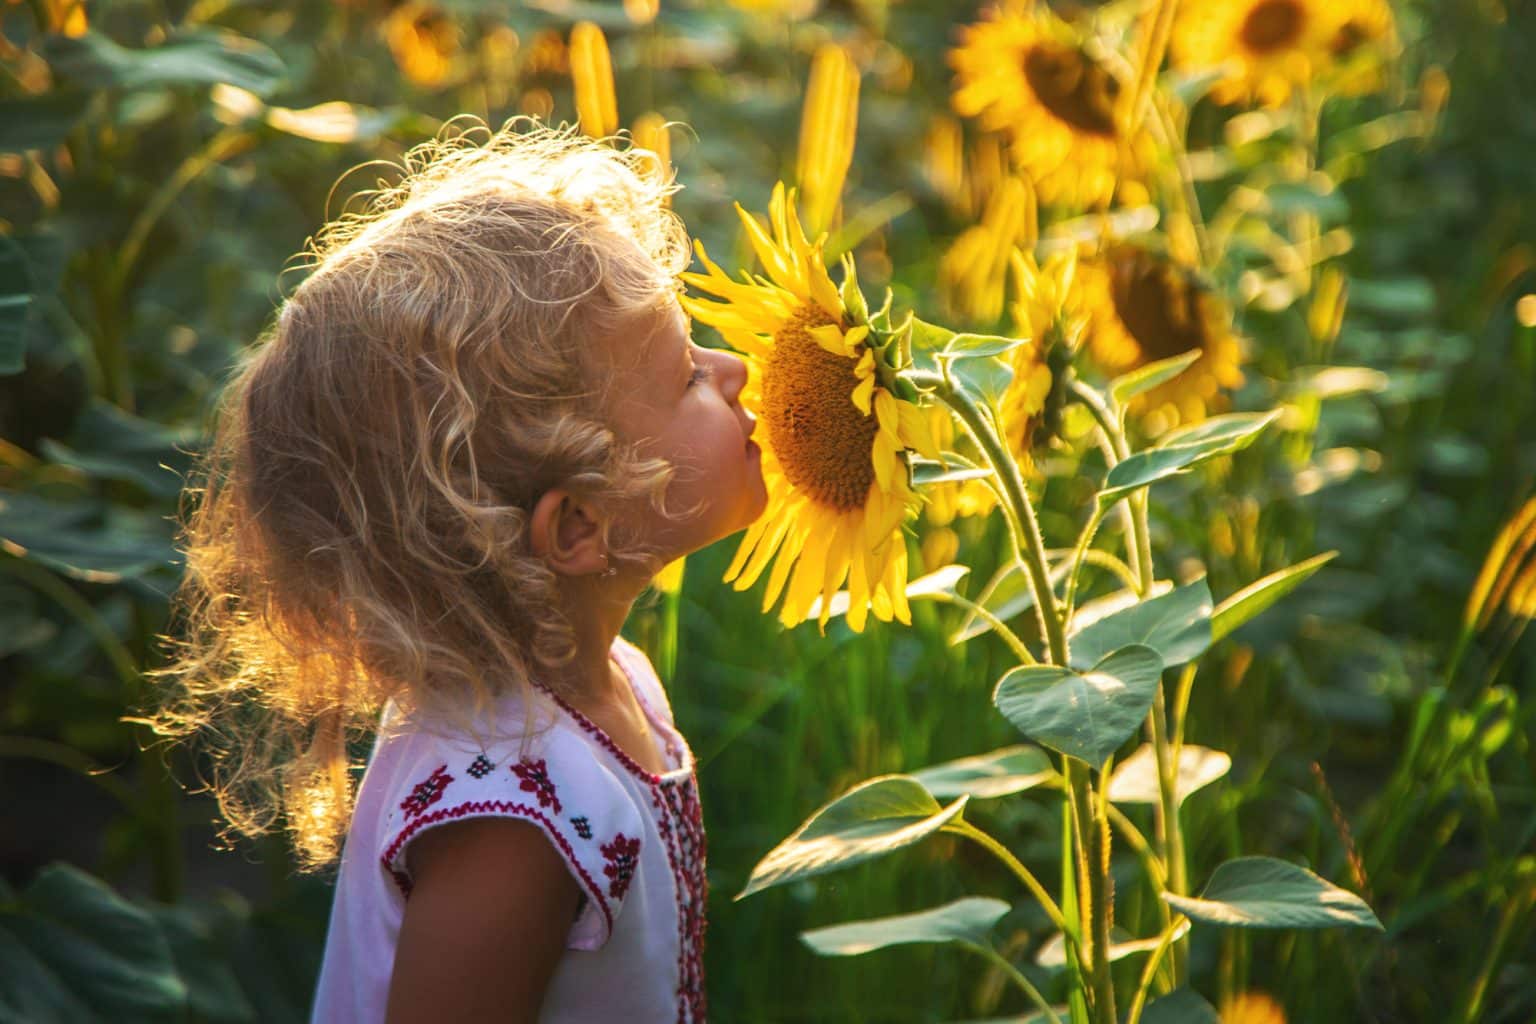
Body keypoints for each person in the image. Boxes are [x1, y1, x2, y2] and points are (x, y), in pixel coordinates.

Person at [146, 118, 767, 1023]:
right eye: (685, 378)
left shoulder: (601, 686)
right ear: (581, 528)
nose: (738, 370)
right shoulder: (511, 822)